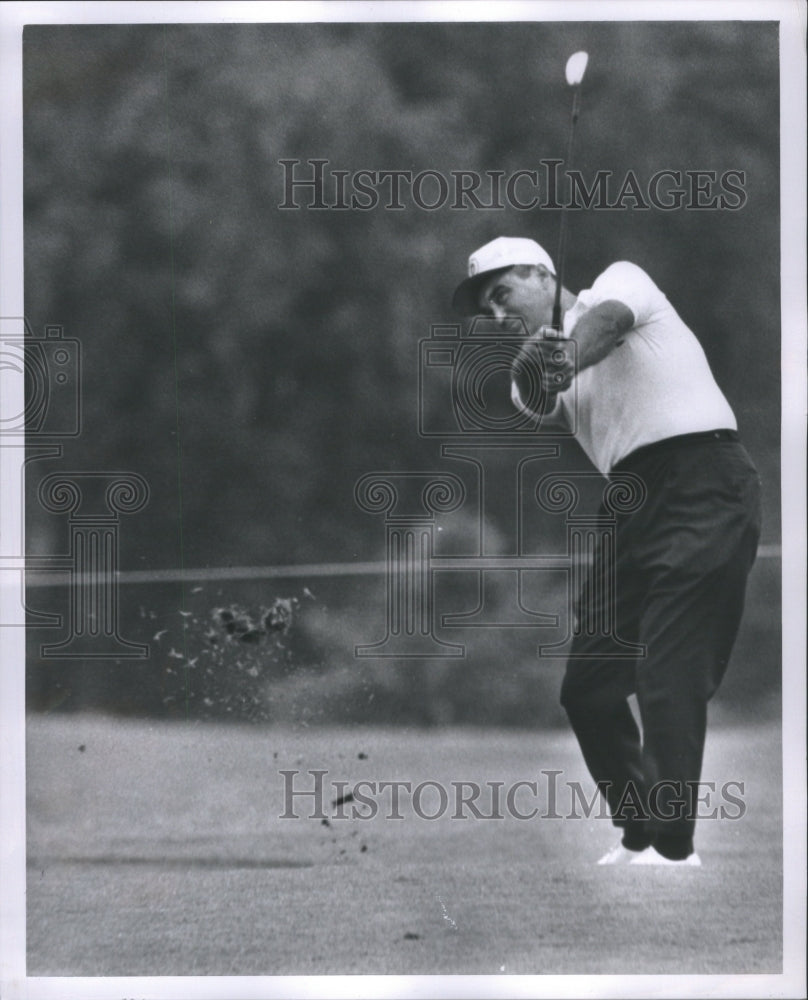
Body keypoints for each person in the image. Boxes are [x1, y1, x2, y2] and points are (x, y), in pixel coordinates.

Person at [452, 236, 762, 866]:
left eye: (503, 293)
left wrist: (567, 350)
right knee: (588, 688)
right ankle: (641, 828)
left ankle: (673, 847)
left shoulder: (621, 283)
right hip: (629, 501)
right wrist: (538, 364)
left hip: (705, 478)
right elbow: (536, 397)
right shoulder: (531, 373)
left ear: (542, 274)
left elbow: (609, 323)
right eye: (486, 308)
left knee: (668, 673)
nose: (496, 315)